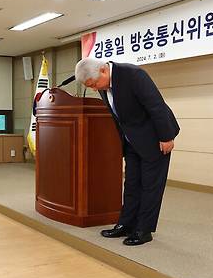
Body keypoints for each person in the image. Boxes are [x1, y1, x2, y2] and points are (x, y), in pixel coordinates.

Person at [75, 58, 180, 246]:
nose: (93, 89)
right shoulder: (102, 84)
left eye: (93, 84)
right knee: (131, 183)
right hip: (132, 140)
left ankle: (144, 230)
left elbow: (156, 105)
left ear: (103, 71)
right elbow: (119, 116)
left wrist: (166, 137)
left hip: (155, 138)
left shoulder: (133, 75)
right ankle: (126, 224)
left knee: (150, 186)